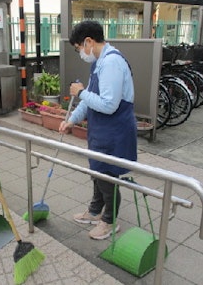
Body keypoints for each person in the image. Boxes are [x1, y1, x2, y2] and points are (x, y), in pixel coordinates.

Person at [59, 20, 137, 240]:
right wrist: (72, 120)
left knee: (107, 176)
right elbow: (90, 99)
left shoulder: (112, 62)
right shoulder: (99, 63)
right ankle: (94, 211)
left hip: (114, 131)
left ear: (88, 41)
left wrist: (81, 92)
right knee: (97, 171)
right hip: (102, 130)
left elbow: (109, 104)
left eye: (78, 49)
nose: (80, 53)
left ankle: (109, 221)